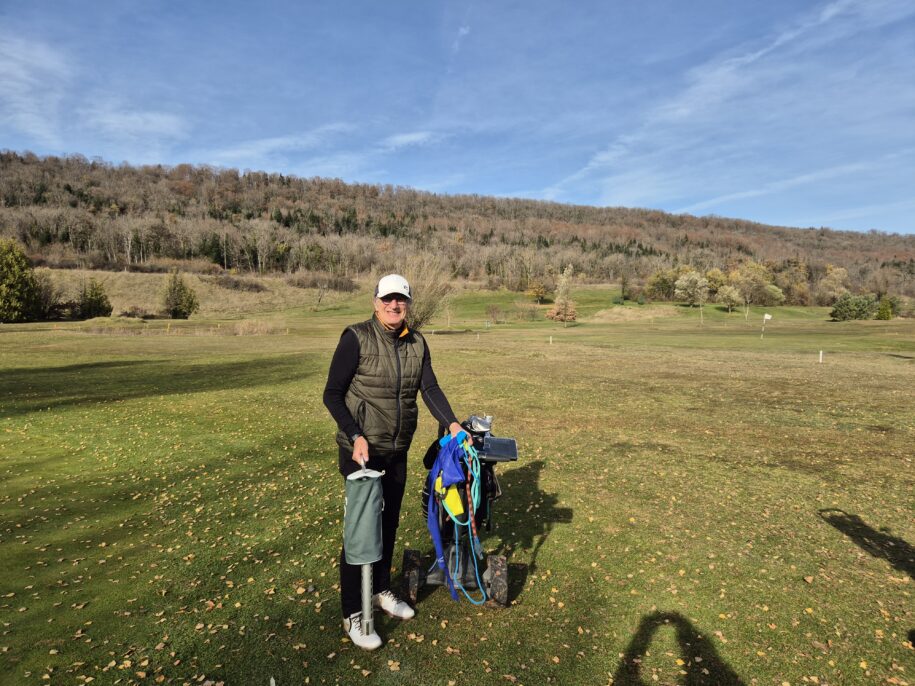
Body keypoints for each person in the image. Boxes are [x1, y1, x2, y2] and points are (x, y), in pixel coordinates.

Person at [323, 273, 464, 650]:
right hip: (361, 453)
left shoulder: (417, 343)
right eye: (387, 299)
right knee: (360, 532)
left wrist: (451, 423)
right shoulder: (356, 338)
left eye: (400, 299)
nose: (394, 305)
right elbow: (332, 394)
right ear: (375, 302)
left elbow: (429, 388)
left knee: (387, 524)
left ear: (408, 304)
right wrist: (355, 435)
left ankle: (382, 590)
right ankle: (353, 612)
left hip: (397, 450)